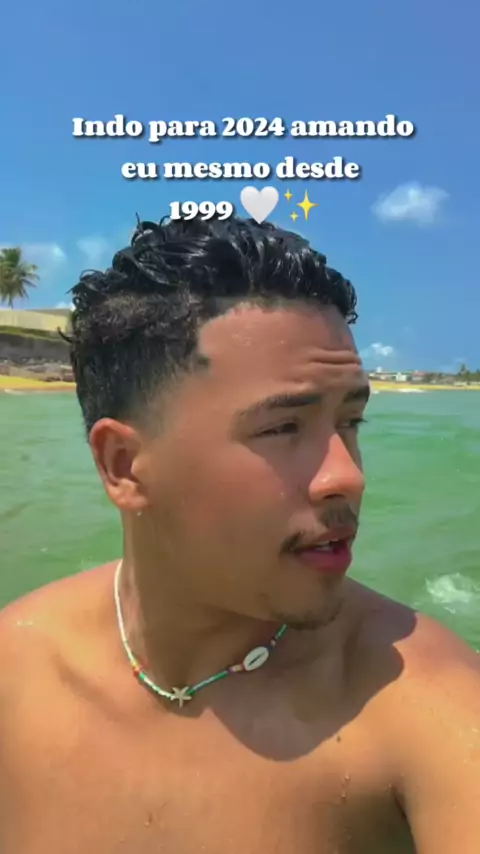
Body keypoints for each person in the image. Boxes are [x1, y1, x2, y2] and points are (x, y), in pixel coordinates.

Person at [0, 216, 478, 854]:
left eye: (351, 421)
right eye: (282, 428)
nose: (348, 476)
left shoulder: (415, 698)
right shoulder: (17, 673)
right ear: (124, 465)